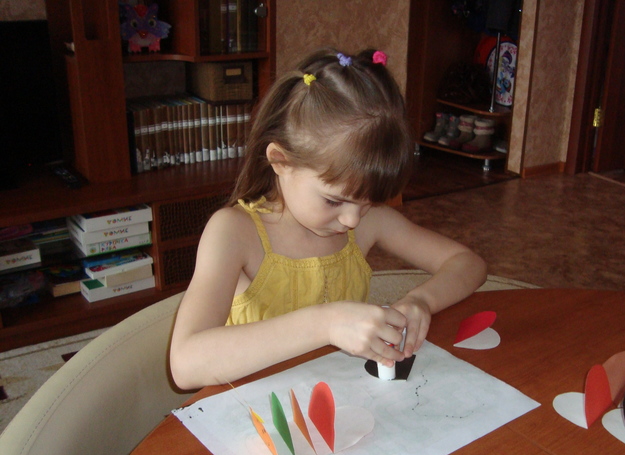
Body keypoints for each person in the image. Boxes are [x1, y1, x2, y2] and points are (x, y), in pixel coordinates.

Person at [169, 48, 487, 389]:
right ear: (280, 161)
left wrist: (421, 301)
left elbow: (468, 263)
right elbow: (185, 365)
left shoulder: (369, 221)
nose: (352, 220)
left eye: (367, 203)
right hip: (260, 410)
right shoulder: (234, 232)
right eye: (334, 200)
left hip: (341, 401)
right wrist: (326, 324)